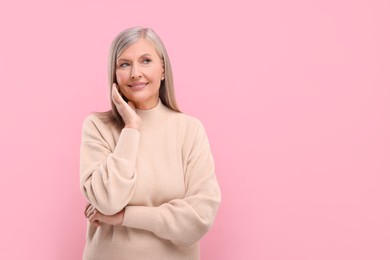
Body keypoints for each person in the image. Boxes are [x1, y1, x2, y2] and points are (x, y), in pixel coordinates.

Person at [79, 27, 221, 260]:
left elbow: (199, 219)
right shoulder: (97, 127)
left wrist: (124, 217)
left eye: (146, 61)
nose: (135, 73)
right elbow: (107, 201)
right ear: (114, 75)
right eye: (124, 64)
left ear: (163, 69)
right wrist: (131, 128)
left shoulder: (189, 129)